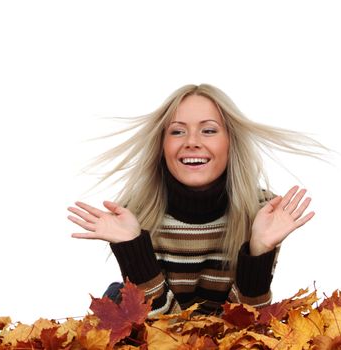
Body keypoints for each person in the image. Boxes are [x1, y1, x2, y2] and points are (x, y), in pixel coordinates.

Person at [67, 84, 327, 316]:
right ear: (162, 145)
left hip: (220, 337)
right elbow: (161, 333)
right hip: (158, 332)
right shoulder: (136, 215)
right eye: (177, 132)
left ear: (230, 142)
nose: (192, 142)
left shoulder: (261, 213)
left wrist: (259, 250)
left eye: (209, 130)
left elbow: (246, 326)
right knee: (117, 295)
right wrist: (134, 248)